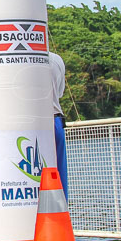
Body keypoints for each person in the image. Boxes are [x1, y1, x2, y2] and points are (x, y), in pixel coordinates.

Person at [48, 50, 68, 198]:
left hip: (31, 124)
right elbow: (60, 93)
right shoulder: (56, 59)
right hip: (56, 120)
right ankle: (62, 216)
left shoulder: (20, 60)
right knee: (59, 177)